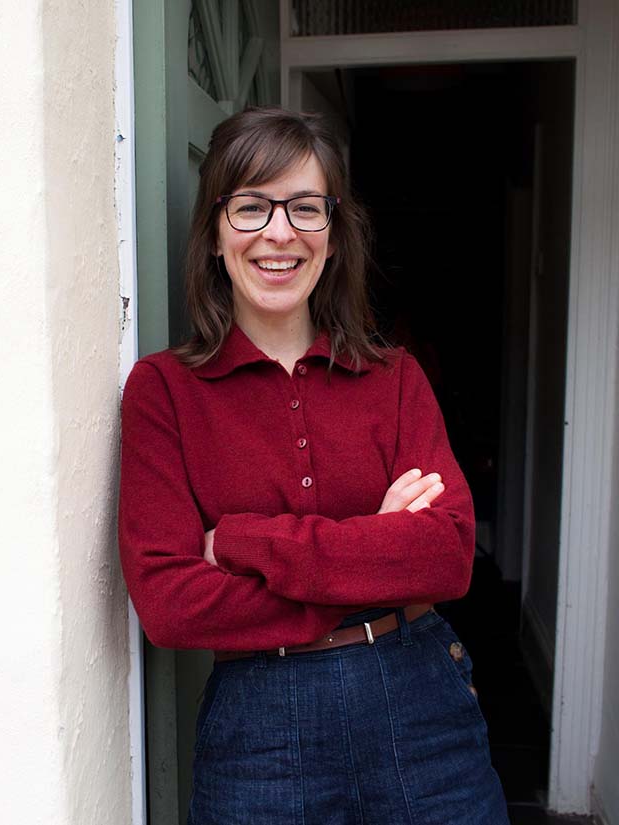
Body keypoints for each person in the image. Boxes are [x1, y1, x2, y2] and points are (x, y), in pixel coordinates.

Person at [118, 106, 510, 825]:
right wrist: (378, 551)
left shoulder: (394, 377)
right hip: (259, 731)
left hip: (422, 709)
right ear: (214, 233)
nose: (280, 232)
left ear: (333, 237)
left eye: (305, 207)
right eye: (251, 207)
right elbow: (170, 604)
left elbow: (449, 555)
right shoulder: (164, 391)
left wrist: (244, 542)